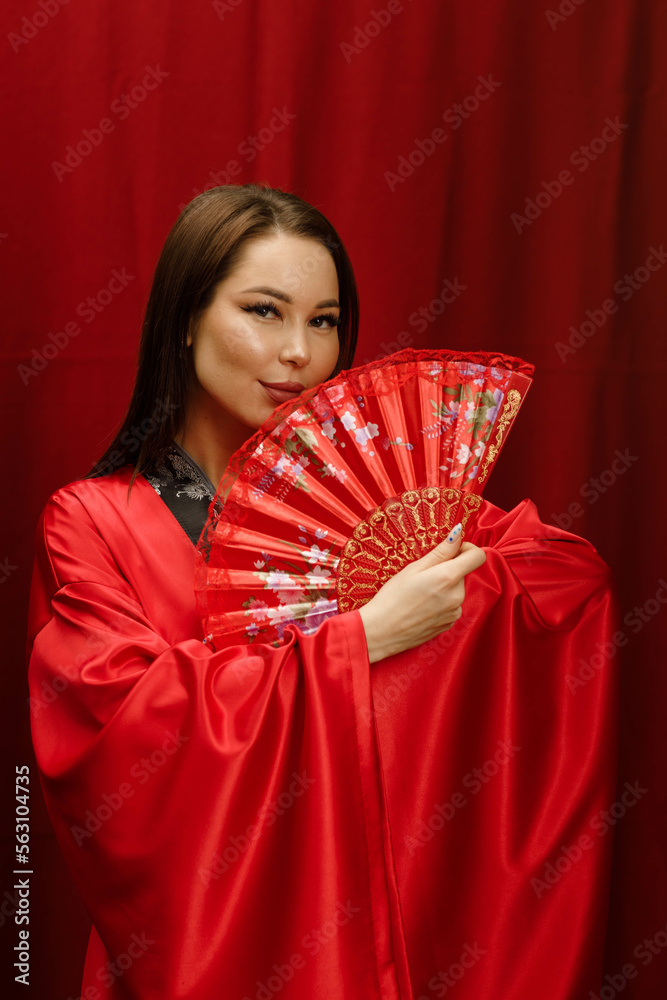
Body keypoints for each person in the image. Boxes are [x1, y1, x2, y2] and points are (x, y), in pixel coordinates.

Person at [28, 184, 618, 1000]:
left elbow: (563, 582)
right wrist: (360, 642)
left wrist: (446, 612)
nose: (301, 354)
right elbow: (117, 738)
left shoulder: (384, 503)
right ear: (186, 319)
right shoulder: (90, 521)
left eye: (324, 320)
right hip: (201, 948)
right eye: (264, 312)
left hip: (375, 930)